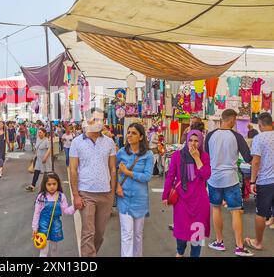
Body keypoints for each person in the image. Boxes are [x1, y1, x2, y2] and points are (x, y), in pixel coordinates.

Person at [205, 109, 253, 256]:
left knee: (216, 209)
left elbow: (207, 157)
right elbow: (248, 158)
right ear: (232, 120)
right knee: (235, 211)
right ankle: (239, 247)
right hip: (230, 179)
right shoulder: (237, 137)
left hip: (213, 178)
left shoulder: (210, 136)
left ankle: (219, 242)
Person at [69, 108, 116, 257]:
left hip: (105, 193)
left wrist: (112, 193)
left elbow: (113, 169)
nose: (99, 123)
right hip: (86, 193)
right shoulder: (76, 142)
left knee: (99, 234)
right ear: (87, 120)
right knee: (88, 232)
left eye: (101, 119)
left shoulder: (109, 142)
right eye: (95, 119)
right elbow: (73, 170)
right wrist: (76, 195)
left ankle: (91, 254)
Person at [162, 130, 211, 257]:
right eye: (190, 140)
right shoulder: (177, 155)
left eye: (196, 141)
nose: (193, 143)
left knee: (197, 234)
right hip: (181, 201)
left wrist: (197, 158)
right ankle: (180, 251)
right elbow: (170, 176)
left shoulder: (204, 156)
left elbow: (206, 175)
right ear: (186, 140)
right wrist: (165, 195)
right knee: (181, 231)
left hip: (200, 202)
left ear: (200, 142)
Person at [115, 123, 153, 257]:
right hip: (123, 197)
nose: (129, 135)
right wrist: (117, 185)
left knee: (137, 235)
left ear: (141, 137)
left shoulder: (148, 155)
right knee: (127, 234)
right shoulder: (121, 152)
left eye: (134, 133)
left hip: (140, 200)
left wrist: (127, 172)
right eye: (129, 132)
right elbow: (112, 170)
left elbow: (147, 176)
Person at [245, 113, 274, 251]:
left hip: (265, 182)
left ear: (260, 125)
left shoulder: (259, 138)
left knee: (261, 213)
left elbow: (255, 161)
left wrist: (252, 182)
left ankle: (258, 242)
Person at [32, 173, 76, 257]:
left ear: (58, 184)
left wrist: (75, 207)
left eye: (54, 184)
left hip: (55, 225)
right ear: (45, 185)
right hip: (43, 226)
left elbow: (66, 210)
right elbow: (36, 213)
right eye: (49, 184)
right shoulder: (41, 197)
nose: (52, 186)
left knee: (54, 248)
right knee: (44, 249)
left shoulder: (61, 196)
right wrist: (35, 227)